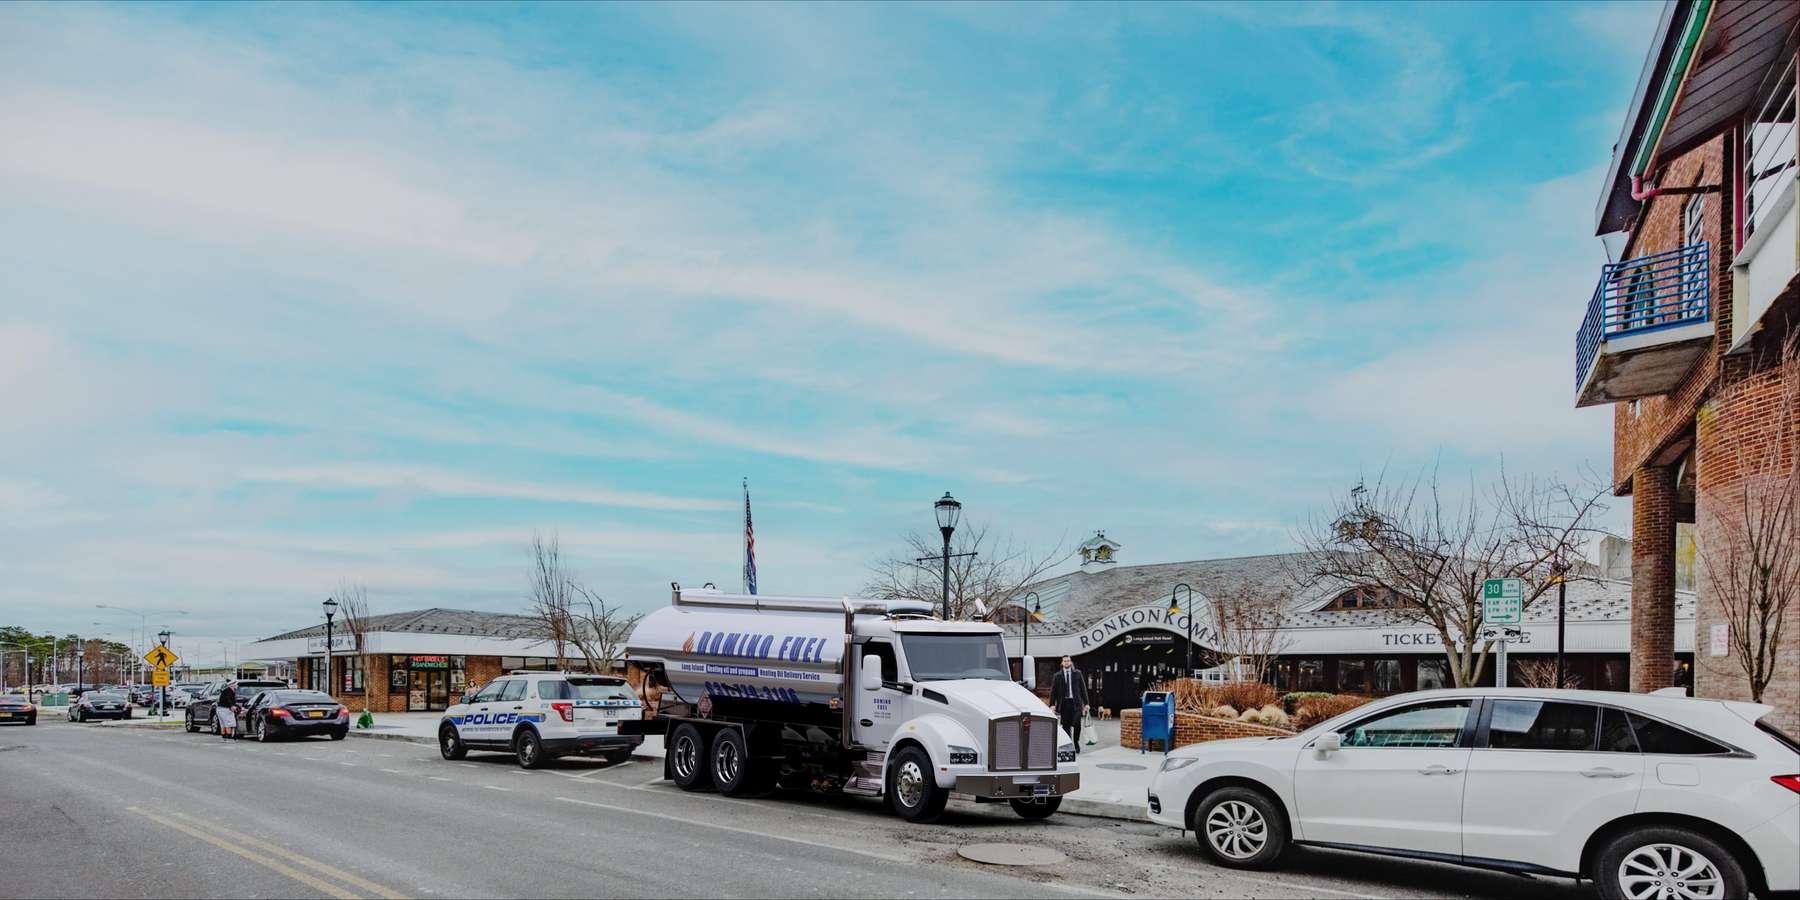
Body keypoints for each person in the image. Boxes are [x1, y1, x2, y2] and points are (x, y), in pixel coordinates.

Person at [1049, 655, 1088, 752]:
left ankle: (1076, 742)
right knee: (1066, 726)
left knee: (1076, 724)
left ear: (1071, 662)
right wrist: (1052, 704)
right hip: (1064, 704)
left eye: (1068, 661)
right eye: (1064, 661)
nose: (1066, 662)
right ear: (1062, 663)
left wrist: (1086, 703)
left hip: (1076, 703)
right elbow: (1053, 691)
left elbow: (1083, 689)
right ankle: (1069, 744)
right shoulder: (1057, 676)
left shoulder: (1078, 674)